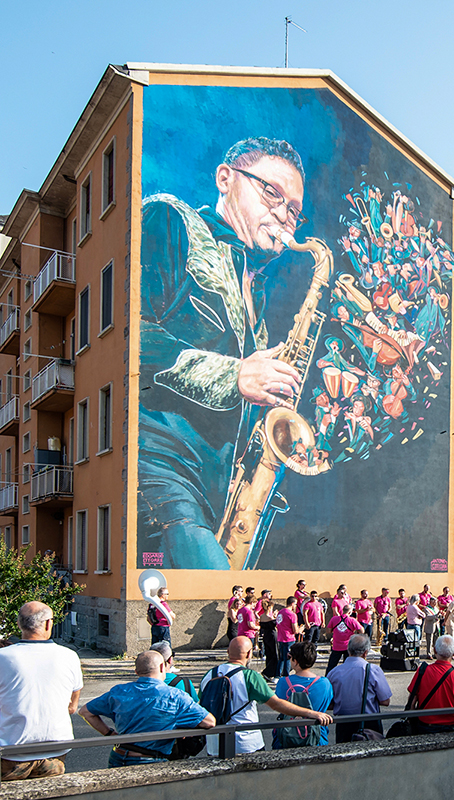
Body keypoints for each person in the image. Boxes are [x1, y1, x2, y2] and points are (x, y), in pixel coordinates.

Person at [138, 137, 312, 569]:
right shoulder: (168, 219)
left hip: (215, 493)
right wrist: (234, 374)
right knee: (217, 596)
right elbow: (130, 333)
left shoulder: (257, 292)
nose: (283, 216)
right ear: (225, 179)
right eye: (272, 193)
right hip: (160, 469)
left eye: (293, 210)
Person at [200, 637, 332, 755]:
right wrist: (311, 713)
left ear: (228, 652)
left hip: (215, 743)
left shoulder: (209, 675)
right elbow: (276, 704)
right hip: (247, 742)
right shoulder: (250, 676)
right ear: (249, 653)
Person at [80, 650, 215, 767]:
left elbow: (85, 712)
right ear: (163, 667)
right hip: (151, 759)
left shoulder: (119, 691)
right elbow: (209, 722)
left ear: (136, 671)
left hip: (118, 756)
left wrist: (110, 734)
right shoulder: (175, 696)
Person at [0, 602, 83, 781]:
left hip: (11, 750)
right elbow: (72, 706)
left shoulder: (3, 657)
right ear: (48, 624)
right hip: (55, 748)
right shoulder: (69, 656)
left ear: (19, 624)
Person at [327, 634, 393, 742]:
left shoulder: (334, 672)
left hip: (343, 723)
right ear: (365, 652)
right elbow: (385, 701)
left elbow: (328, 703)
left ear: (348, 650)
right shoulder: (372, 670)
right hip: (369, 723)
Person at [405, 635, 454, 734]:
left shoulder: (423, 671)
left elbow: (412, 700)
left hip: (425, 726)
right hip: (452, 727)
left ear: (435, 650)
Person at [272, 641, 333, 748]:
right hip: (316, 734)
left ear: (295, 661)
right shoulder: (324, 683)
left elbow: (278, 706)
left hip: (286, 734)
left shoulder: (283, 682)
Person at [325, 603, 363, 673]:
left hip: (336, 646)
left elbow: (328, 631)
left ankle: (328, 679)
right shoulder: (352, 620)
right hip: (348, 646)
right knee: (348, 666)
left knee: (331, 666)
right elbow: (362, 631)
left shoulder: (334, 619)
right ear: (350, 612)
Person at [275, 596, 301, 680]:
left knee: (282, 657)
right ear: (292, 604)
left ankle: (277, 674)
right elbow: (295, 630)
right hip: (289, 638)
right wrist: (300, 629)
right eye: (296, 604)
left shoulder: (280, 612)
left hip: (280, 637)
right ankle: (286, 675)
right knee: (288, 658)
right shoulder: (292, 614)